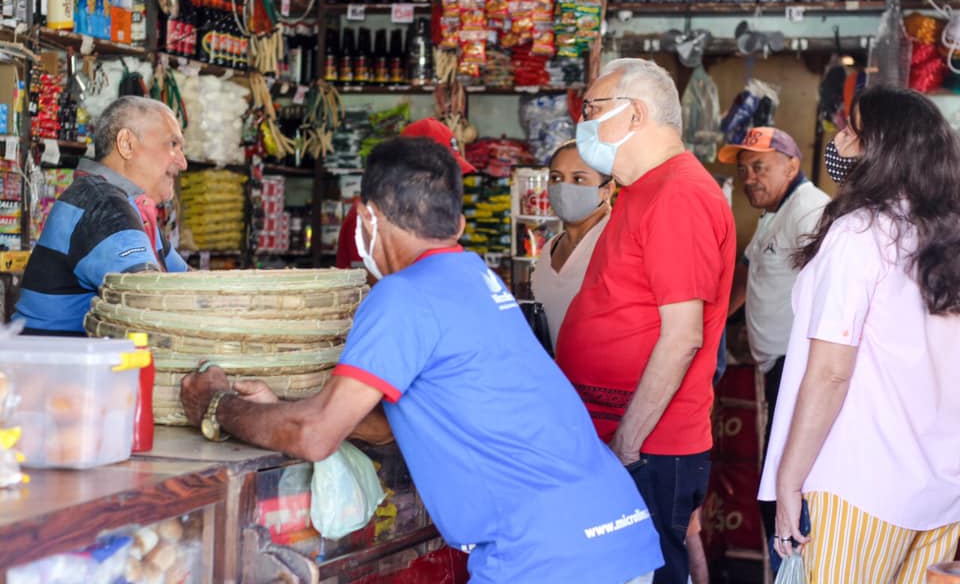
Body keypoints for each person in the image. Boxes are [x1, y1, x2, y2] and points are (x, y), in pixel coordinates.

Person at [181, 136, 663, 584]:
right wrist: (282, 403)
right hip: (616, 534)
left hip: (548, 558)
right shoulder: (474, 275)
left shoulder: (403, 295)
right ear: (457, 225)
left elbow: (315, 435)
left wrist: (218, 405)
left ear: (366, 217)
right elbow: (388, 422)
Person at [759, 86, 960, 582]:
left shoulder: (860, 234)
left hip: (858, 483)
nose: (839, 139)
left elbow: (830, 374)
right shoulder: (946, 236)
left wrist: (788, 479)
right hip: (942, 490)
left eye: (851, 130)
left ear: (882, 150)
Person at [554, 58, 736, 584]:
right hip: (620, 439)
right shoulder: (643, 189)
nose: (581, 123)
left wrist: (628, 443)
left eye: (591, 110)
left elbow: (682, 337)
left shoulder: (679, 194)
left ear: (634, 115)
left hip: (648, 446)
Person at [719, 127, 830, 544]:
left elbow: (828, 282)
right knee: (776, 479)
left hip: (799, 371)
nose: (750, 177)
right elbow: (747, 280)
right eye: (745, 169)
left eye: (760, 166)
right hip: (776, 367)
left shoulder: (809, 209)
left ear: (792, 166)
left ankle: (796, 559)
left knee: (784, 483)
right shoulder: (772, 216)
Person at [14, 96, 188, 335]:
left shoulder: (129, 206)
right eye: (173, 145)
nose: (183, 162)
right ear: (126, 144)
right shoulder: (104, 204)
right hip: (56, 368)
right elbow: (149, 298)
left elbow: (189, 284)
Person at [335, 117, 475, 269]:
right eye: (438, 177)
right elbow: (368, 281)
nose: (450, 185)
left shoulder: (434, 218)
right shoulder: (370, 220)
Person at [531, 139, 615, 351]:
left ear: (607, 189)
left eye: (578, 179)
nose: (564, 188)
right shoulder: (550, 248)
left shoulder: (616, 243)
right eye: (556, 178)